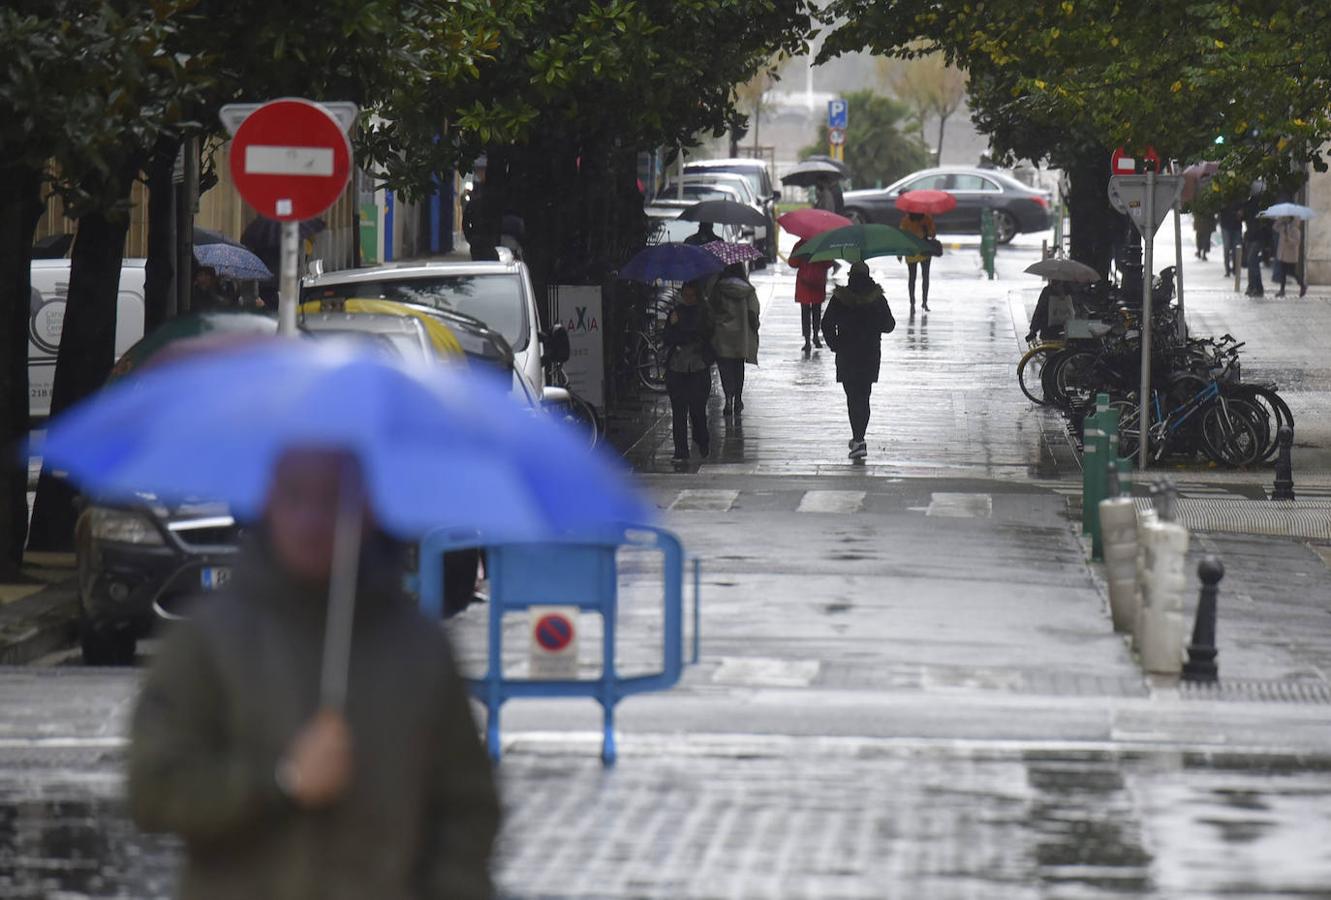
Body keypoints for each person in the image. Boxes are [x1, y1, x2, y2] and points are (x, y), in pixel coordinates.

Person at [128, 448, 500, 899]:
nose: (312, 519)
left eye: (333, 499)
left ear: (366, 509)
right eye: (294, 496)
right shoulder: (208, 641)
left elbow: (467, 807)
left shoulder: (417, 649)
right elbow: (155, 790)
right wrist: (282, 782)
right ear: (266, 503)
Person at [821, 261, 895, 460]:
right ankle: (859, 438)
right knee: (864, 395)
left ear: (850, 275)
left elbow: (826, 323)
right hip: (870, 353)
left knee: (852, 397)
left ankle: (858, 438)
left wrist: (835, 344)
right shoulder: (877, 299)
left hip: (847, 353)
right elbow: (889, 325)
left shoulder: (840, 299)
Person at [662, 281, 715, 462]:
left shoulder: (705, 312)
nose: (688, 299)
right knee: (678, 411)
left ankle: (702, 439)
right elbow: (668, 338)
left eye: (692, 296)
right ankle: (681, 451)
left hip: (698, 367)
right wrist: (674, 324)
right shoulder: (675, 312)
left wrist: (680, 328)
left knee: (697, 410)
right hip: (677, 368)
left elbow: (703, 335)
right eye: (685, 295)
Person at [708, 262, 761, 416]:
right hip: (741, 336)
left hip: (722, 335)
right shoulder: (748, 290)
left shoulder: (718, 289)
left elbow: (711, 310)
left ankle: (728, 399)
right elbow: (753, 312)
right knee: (738, 368)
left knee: (725, 369)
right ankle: (738, 399)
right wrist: (754, 326)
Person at [789, 237, 835, 353]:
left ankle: (807, 341)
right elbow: (829, 263)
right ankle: (815, 336)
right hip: (818, 282)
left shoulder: (800, 245)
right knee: (816, 311)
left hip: (804, 283)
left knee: (805, 313)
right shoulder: (823, 244)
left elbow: (792, 263)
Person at [898, 212, 936, 312]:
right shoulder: (926, 218)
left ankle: (917, 303)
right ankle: (920, 302)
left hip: (914, 251)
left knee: (914, 278)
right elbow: (933, 234)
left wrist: (900, 253)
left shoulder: (906, 220)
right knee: (922, 277)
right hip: (921, 251)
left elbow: (901, 236)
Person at [1273, 216, 1307, 297]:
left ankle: (1302, 285)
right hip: (1282, 254)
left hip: (1291, 255)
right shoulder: (1283, 227)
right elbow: (1275, 227)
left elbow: (1296, 242)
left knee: (1291, 272)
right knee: (1283, 273)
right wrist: (1281, 219)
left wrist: (1288, 239)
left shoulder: (1295, 230)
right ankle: (1282, 290)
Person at [1242, 204, 1269, 297]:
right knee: (1252, 263)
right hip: (1250, 236)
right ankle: (1254, 286)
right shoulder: (1248, 203)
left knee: (1252, 261)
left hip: (1257, 237)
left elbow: (1263, 223)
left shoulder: (1260, 205)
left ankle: (1255, 287)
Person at [1218, 202, 1243, 276]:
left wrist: (1241, 212)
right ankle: (1228, 270)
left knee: (1236, 249)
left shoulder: (1238, 195)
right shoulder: (1222, 196)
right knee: (1227, 247)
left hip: (1236, 225)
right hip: (1226, 225)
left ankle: (1235, 269)